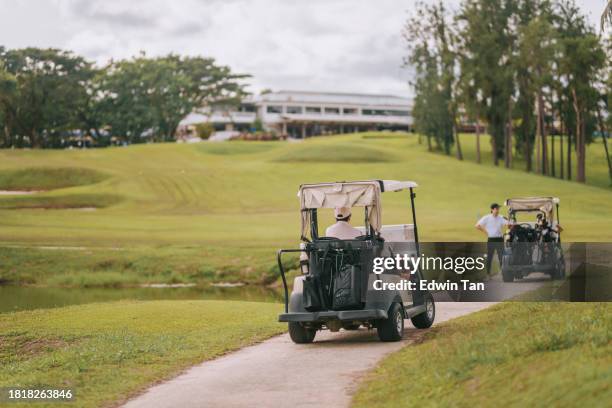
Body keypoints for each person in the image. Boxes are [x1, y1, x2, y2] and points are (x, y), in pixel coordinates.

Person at [475, 203, 510, 277]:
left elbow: (509, 224)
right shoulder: (487, 218)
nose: (497, 210)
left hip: (499, 239)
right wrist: (486, 232)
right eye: (496, 209)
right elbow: (477, 226)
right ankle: (488, 274)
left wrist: (507, 219)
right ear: (492, 209)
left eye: (498, 209)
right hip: (491, 239)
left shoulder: (500, 217)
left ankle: (502, 272)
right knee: (489, 257)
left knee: (501, 256)